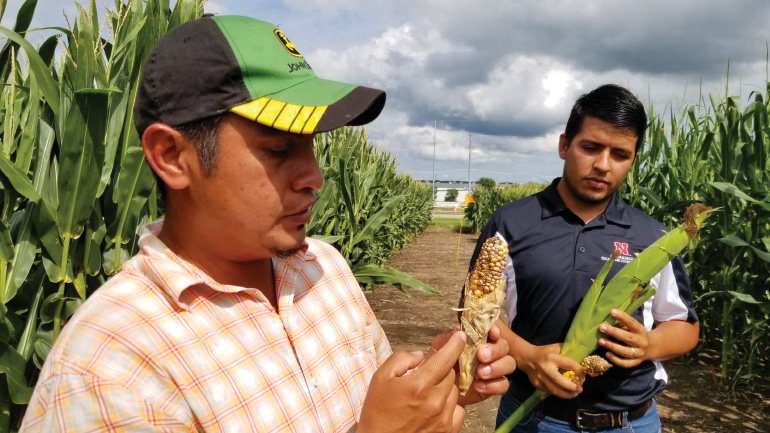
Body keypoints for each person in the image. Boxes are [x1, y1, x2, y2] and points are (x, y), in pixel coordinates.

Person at [20, 15, 515, 432]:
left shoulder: (326, 268)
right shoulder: (108, 372)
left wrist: (436, 394)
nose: (316, 178)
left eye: (313, 147)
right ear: (172, 155)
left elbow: (373, 406)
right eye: (279, 149)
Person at [468, 84, 699, 432]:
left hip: (630, 422)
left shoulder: (653, 239)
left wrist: (648, 345)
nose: (603, 165)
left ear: (634, 158)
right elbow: (474, 309)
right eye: (590, 148)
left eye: (620, 154)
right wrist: (530, 359)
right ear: (564, 145)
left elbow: (685, 326)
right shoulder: (511, 223)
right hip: (533, 419)